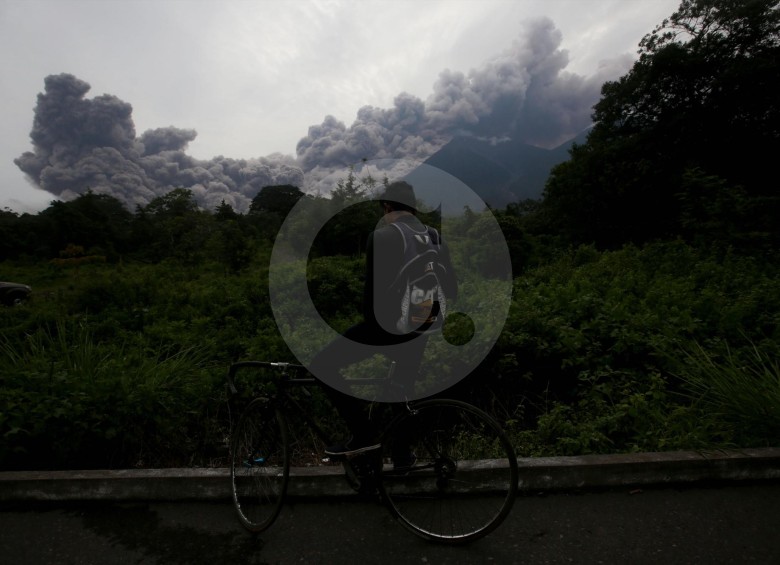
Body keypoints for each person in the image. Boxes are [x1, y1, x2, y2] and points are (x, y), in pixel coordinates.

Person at [309, 181, 458, 460]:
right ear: (413, 208)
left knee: (321, 365)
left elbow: (372, 301)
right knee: (399, 392)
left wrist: (377, 331)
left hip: (389, 328)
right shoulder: (437, 237)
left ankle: (363, 436)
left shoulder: (382, 236)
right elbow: (452, 291)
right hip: (424, 326)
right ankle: (402, 458)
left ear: (387, 207)